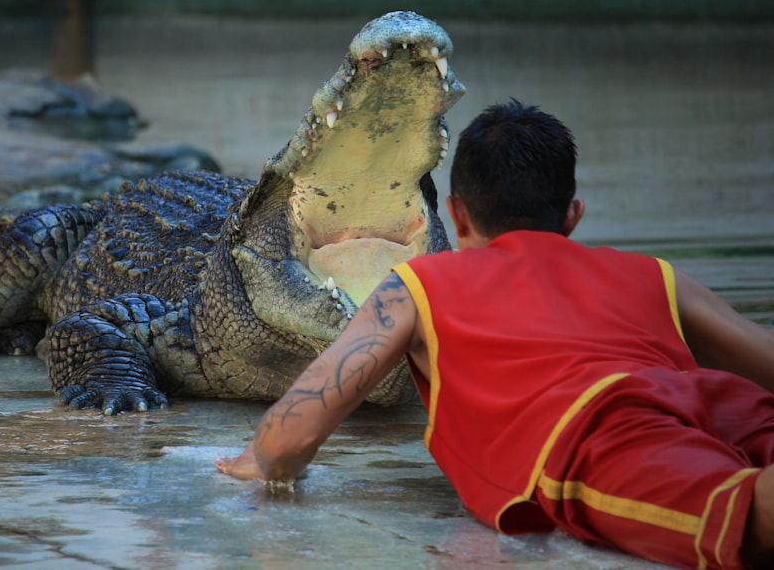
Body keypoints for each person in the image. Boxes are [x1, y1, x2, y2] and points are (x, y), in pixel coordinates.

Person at [214, 99, 774, 570]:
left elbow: (286, 444)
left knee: (752, 517)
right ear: (573, 216)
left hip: (602, 435)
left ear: (456, 216)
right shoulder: (654, 274)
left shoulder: (417, 286)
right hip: (726, 405)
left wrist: (258, 457)